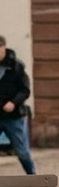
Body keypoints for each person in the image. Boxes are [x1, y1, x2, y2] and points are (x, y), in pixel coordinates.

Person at [0, 35, 37, 176]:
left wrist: (13, 102)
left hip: (13, 116)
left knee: (21, 150)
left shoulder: (16, 66)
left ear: (3, 47)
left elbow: (25, 90)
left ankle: (32, 177)